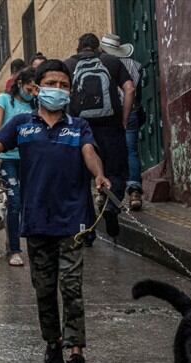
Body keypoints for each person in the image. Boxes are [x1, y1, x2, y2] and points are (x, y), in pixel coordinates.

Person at [0, 59, 111, 363]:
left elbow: (89, 153)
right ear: (37, 88)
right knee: (44, 288)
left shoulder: (79, 126)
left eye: (64, 85)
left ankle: (76, 354)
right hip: (37, 220)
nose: (58, 89)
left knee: (71, 287)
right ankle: (53, 344)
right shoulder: (21, 125)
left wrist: (99, 176)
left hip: (72, 220)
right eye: (52, 83)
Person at [64, 33, 134, 238]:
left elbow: (63, 95)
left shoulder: (68, 65)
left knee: (82, 180)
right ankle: (111, 207)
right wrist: (124, 118)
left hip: (80, 129)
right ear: (98, 48)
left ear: (78, 48)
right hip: (111, 128)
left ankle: (86, 230)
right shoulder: (111, 61)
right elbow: (129, 89)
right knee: (116, 173)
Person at [0, 67, 37, 266]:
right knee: (14, 201)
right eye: (29, 88)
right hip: (7, 157)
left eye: (35, 89)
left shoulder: (36, 104)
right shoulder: (4, 100)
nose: (32, 93)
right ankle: (14, 250)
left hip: (29, 159)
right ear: (20, 84)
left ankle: (33, 247)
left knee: (29, 202)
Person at [101, 33, 144, 211]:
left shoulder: (102, 64)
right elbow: (135, 91)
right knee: (131, 150)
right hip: (131, 110)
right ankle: (134, 191)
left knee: (107, 151)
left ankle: (105, 192)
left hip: (110, 113)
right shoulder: (135, 65)